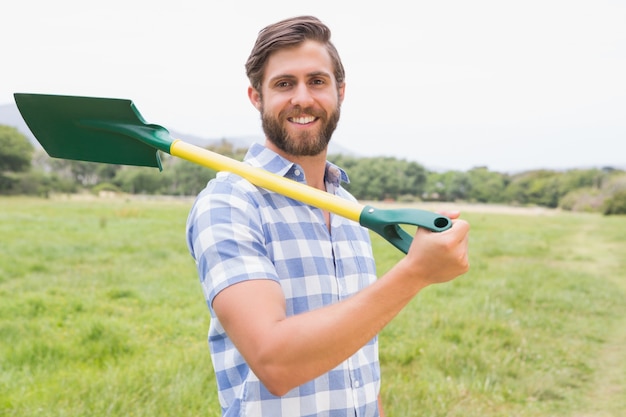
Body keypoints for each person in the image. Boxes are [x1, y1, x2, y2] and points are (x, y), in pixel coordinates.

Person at [186, 15, 470, 417]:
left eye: (317, 81)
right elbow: (275, 362)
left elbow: (358, 357)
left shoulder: (349, 209)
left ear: (340, 91)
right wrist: (415, 273)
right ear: (256, 97)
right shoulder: (229, 203)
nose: (302, 98)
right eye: (284, 84)